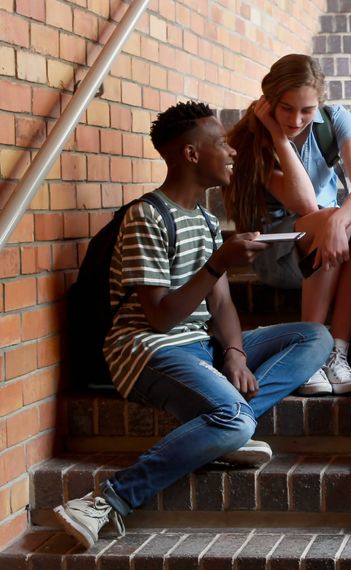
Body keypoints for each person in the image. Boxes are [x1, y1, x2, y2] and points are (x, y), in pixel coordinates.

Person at [52, 101, 333, 549]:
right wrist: (218, 263)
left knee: (315, 337)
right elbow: (159, 315)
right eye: (220, 142)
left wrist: (237, 354)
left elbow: (220, 305)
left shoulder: (203, 219)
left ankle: (219, 432)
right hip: (147, 351)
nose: (232, 152)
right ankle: (106, 501)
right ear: (190, 154)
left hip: (199, 349)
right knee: (235, 420)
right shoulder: (146, 216)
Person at [222, 53, 351, 396]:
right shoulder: (252, 141)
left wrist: (339, 218)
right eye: (286, 108)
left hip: (325, 237)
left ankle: (337, 351)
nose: (296, 119)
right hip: (274, 249)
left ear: (320, 104)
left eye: (306, 110)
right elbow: (306, 204)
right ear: (268, 102)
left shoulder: (336, 120)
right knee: (328, 217)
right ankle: (308, 355)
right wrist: (279, 139)